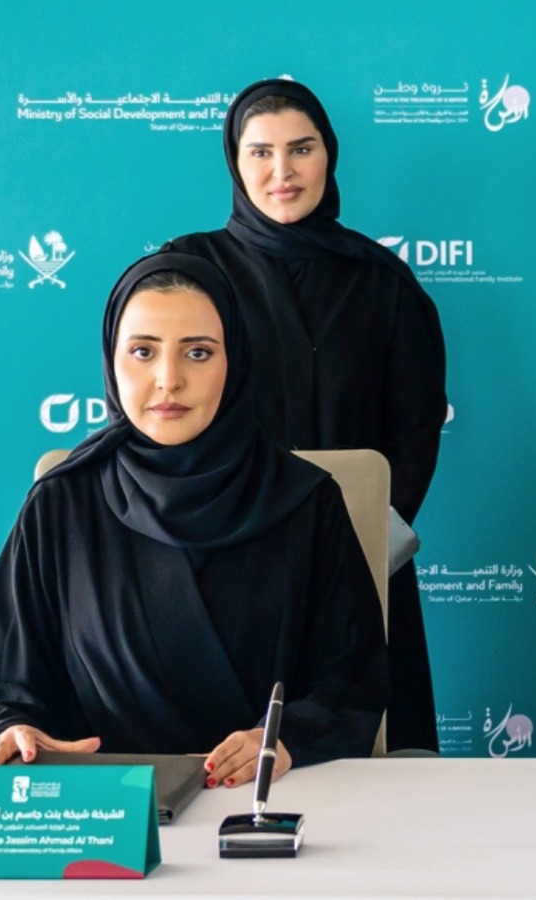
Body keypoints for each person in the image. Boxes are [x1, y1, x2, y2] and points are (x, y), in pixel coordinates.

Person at [0, 253, 388, 784]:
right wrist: (9, 729)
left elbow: (353, 681)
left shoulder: (306, 500)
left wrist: (286, 739)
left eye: (198, 353)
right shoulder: (62, 502)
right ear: (111, 361)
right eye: (142, 352)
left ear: (236, 362)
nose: (169, 380)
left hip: (263, 802)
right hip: (103, 811)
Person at [164, 79, 445, 752]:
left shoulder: (383, 282)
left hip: (355, 555)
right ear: (235, 162)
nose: (281, 172)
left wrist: (357, 537)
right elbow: (153, 410)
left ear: (330, 155)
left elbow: (414, 430)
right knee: (219, 774)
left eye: (301, 149)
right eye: (259, 152)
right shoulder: (189, 272)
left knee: (371, 771)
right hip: (221, 562)